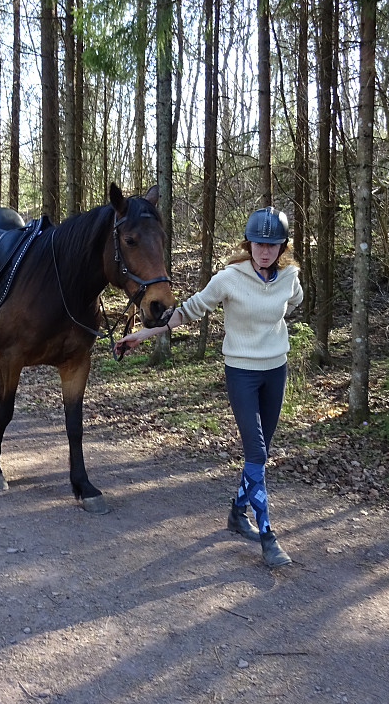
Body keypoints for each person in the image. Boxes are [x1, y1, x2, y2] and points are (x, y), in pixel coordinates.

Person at [116, 207, 303, 567]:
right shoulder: (229, 278)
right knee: (257, 453)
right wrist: (141, 334)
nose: (265, 251)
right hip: (242, 373)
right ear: (248, 245)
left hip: (275, 371)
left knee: (258, 457)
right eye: (259, 244)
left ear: (283, 247)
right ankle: (268, 537)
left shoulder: (290, 277)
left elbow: (292, 302)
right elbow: (187, 311)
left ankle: (236, 513)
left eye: (273, 245)